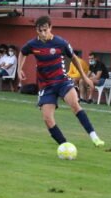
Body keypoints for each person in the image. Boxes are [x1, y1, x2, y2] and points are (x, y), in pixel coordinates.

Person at [18, 16, 105, 147]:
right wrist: (19, 68)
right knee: (47, 118)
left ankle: (94, 137)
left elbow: (74, 58)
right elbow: (22, 53)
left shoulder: (60, 42)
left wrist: (85, 77)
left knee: (74, 104)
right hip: (46, 85)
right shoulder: (32, 44)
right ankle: (64, 145)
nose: (43, 33)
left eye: (45, 30)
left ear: (50, 28)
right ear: (36, 30)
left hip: (62, 81)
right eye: (39, 30)